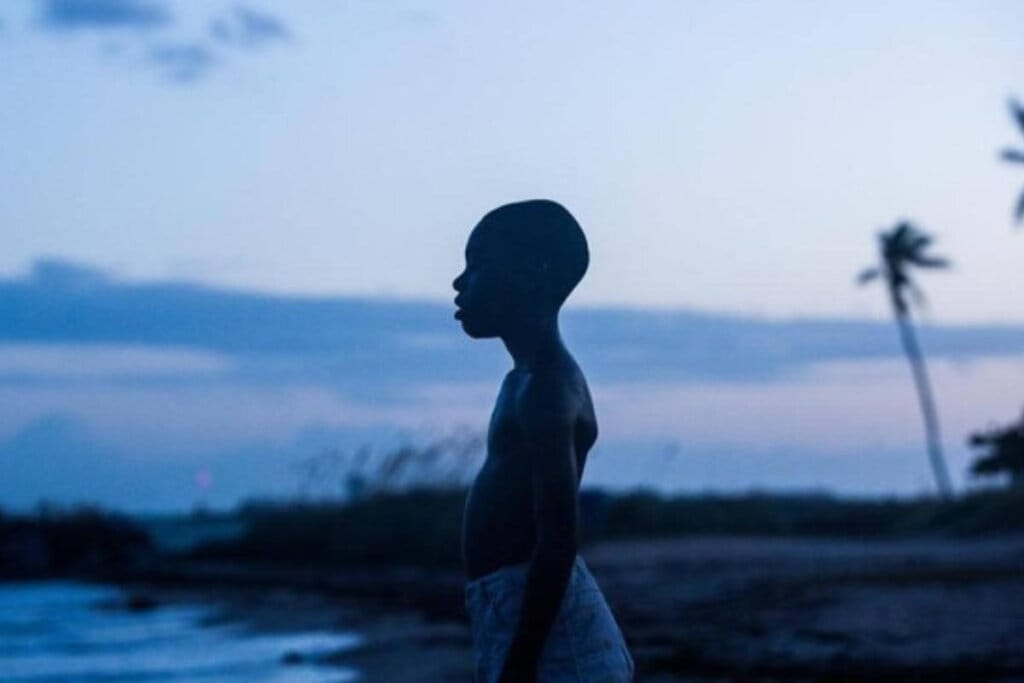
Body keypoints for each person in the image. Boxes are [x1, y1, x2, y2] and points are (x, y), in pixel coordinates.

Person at [453, 200, 634, 682]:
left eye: (477, 266)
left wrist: (521, 659)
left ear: (531, 277)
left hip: (553, 631)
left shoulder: (549, 388)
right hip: (512, 609)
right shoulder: (523, 381)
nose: (459, 282)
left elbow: (557, 539)